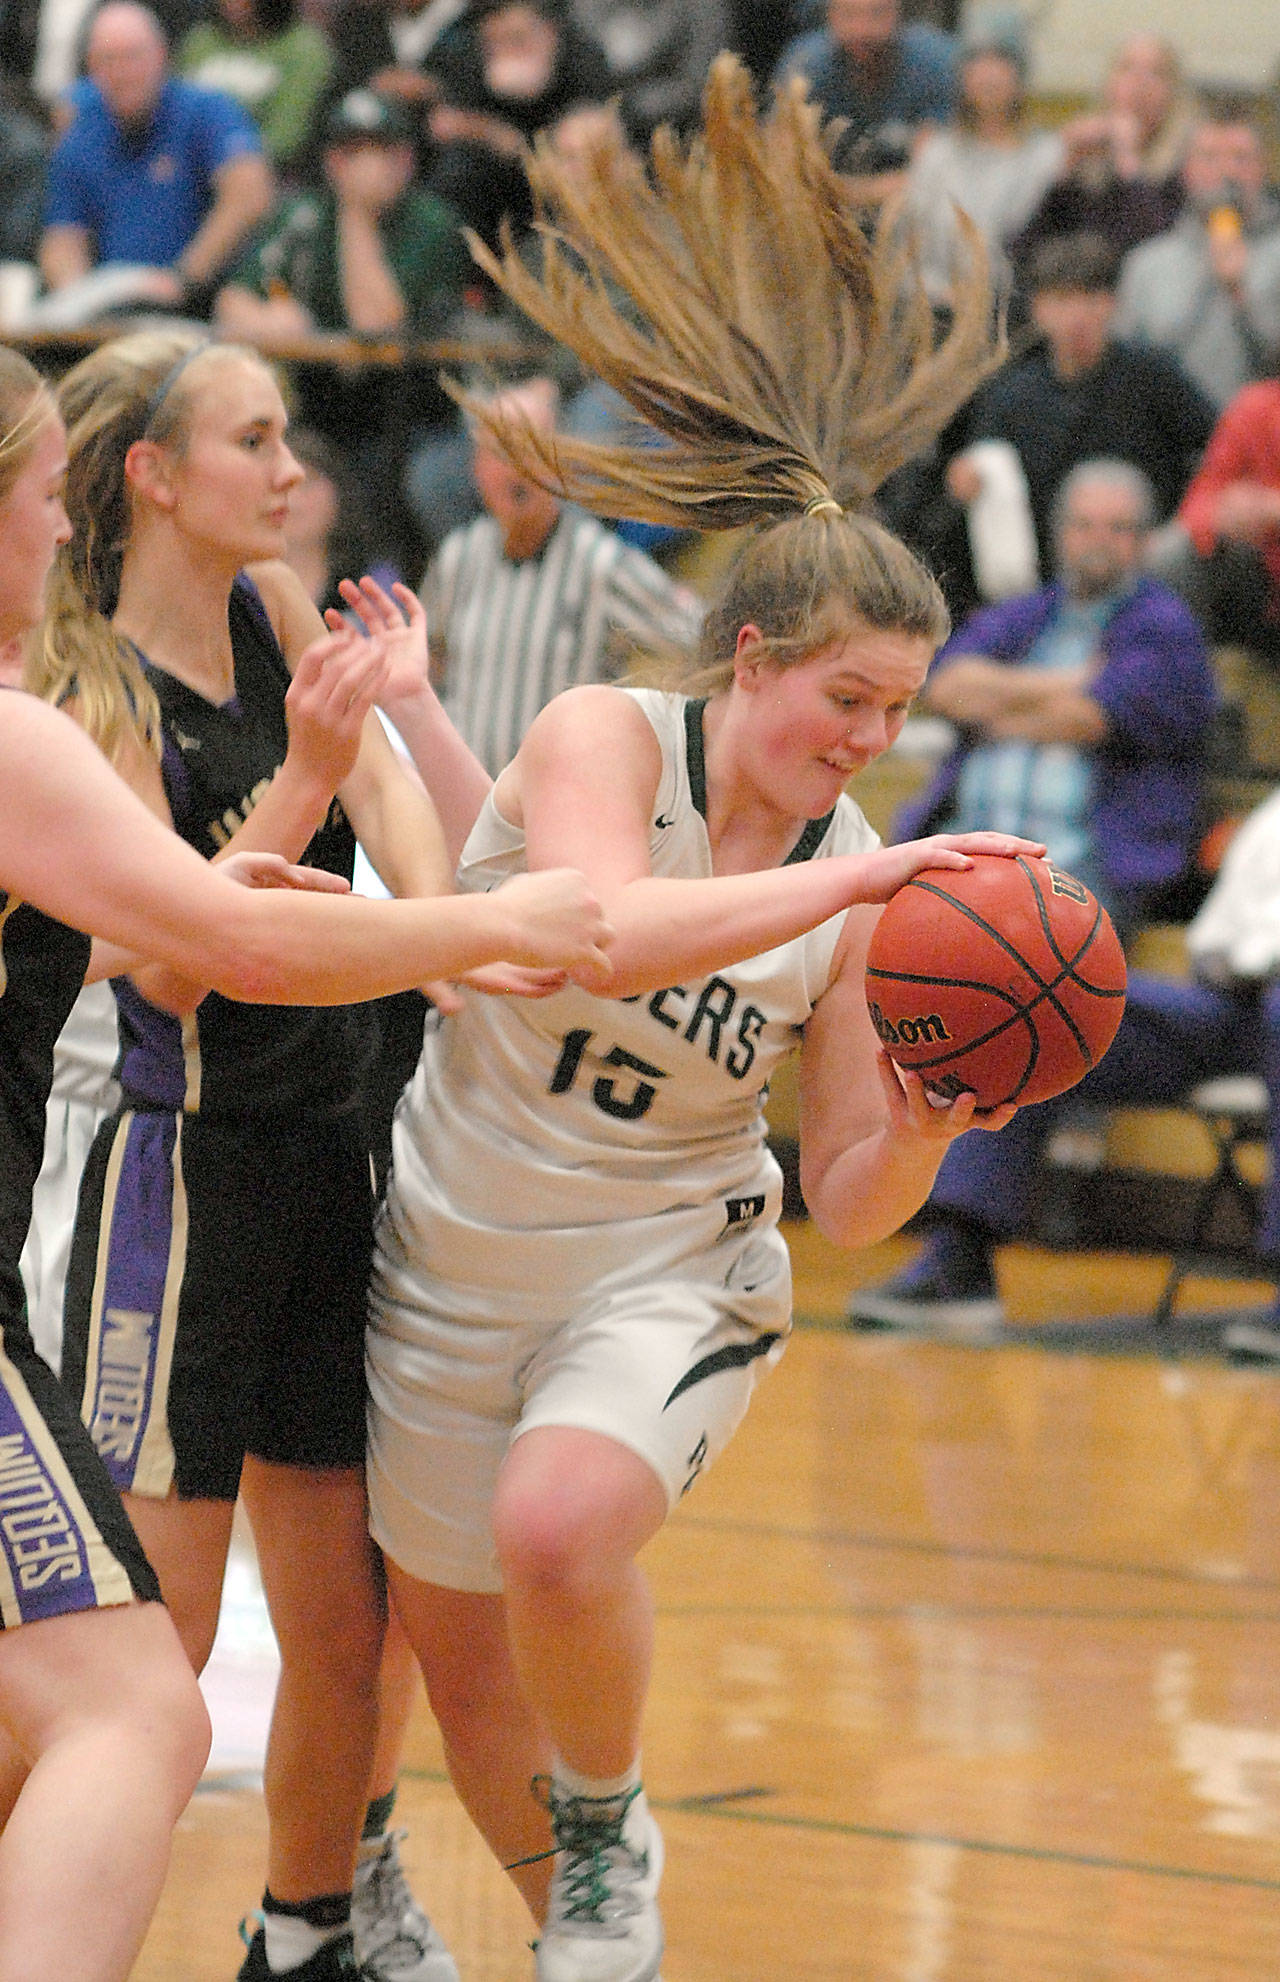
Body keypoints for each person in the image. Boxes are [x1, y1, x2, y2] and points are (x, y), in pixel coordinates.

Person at [362, 54, 1044, 1982]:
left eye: (900, 714)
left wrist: (930, 1109)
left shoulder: (866, 880)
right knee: (461, 1660)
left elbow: (846, 1199)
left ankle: (607, 1843)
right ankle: (589, 1922)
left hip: (663, 1265)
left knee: (567, 1528)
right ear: (750, 659)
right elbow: (600, 934)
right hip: (452, 1244)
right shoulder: (604, 740)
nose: (870, 743)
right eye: (848, 699)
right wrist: (845, 883)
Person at [0, 345, 609, 1982]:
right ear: (150, 475)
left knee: (352, 1619)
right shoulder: (80, 693)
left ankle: (308, 1928)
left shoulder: (279, 618)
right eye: (251, 440)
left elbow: (402, 841)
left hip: (327, 1149)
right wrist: (329, 783)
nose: (291, 469)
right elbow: (200, 953)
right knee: (152, 1651)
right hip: (167, 1179)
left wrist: (470, 952)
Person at [847, 458, 1221, 1331]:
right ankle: (885, 1208)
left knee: (1016, 995)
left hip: (1082, 883)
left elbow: (1101, 716)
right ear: (1061, 534)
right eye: (1087, 524)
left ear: (1145, 540)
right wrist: (1060, 687)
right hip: (959, 869)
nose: (1101, 541)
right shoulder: (1029, 616)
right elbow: (945, 683)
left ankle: (960, 1260)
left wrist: (1006, 703)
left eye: (1119, 527)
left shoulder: (1167, 628)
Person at [216, 83, 471, 573]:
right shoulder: (305, 214)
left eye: (378, 152)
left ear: (405, 160)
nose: (361, 168)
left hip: (405, 419)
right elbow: (231, 299)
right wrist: (272, 321)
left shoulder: (431, 223)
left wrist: (357, 213)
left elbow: (375, 324)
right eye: (349, 153)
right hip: (320, 410)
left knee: (395, 481)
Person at [424, 373, 701, 776]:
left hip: (560, 809)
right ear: (477, 468)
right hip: (468, 811)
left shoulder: (600, 564)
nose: (517, 469)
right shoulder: (457, 558)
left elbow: (698, 637)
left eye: (531, 449)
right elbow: (429, 659)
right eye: (500, 452)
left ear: (562, 461)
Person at [946, 232, 1216, 586]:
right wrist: (966, 478)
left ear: (1112, 303)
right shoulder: (1012, 395)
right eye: (1061, 300)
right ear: (1038, 309)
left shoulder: (1153, 376)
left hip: (1148, 568)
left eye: (1090, 298)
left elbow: (1216, 448)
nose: (1077, 315)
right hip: (1045, 580)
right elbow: (977, 466)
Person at [38, 0, 275, 315]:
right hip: (112, 303)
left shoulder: (205, 110)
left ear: (162, 55)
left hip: (199, 302)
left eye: (133, 56)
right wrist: (79, 297)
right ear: (91, 67)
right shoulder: (82, 128)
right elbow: (62, 236)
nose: (122, 72)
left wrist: (185, 277)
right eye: (108, 60)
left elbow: (249, 193)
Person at [1112, 97, 1280, 412]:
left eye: (1241, 158)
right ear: (1187, 170)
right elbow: (1124, 371)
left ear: (1263, 168)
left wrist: (1240, 295)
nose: (1227, 171)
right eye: (1211, 157)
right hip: (1168, 442)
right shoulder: (1147, 264)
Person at [904, 12, 1063, 307]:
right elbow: (908, 254)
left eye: (1001, 62)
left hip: (1017, 315)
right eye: (977, 62)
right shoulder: (935, 155)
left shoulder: (1049, 155)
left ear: (1021, 76)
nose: (989, 74)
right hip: (938, 308)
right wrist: (942, 295)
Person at [1008, 31, 1196, 274]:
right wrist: (1065, 171)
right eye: (1127, 69)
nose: (1140, 83)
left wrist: (1128, 162)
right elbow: (1023, 252)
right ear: (1108, 84)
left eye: (1155, 73)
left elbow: (1160, 252)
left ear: (1174, 92)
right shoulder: (1088, 160)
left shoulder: (1187, 163)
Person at [1151, 375, 1280, 667]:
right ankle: (1181, 684)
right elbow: (1204, 495)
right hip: (1259, 578)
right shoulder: (1257, 407)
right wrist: (1224, 515)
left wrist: (1270, 509)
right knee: (1170, 556)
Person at [774, 0, 955, 204]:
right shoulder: (805, 63)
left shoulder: (935, 63)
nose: (862, 29)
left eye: (876, 14)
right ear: (830, 16)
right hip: (824, 209)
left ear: (898, 14)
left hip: (908, 208)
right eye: (848, 15)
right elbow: (782, 162)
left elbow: (934, 172)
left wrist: (846, 191)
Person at [177, 0, 335, 177]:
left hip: (271, 174)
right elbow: (177, 114)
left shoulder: (303, 47)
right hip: (190, 170)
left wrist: (234, 161)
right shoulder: (201, 41)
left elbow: (288, 132)